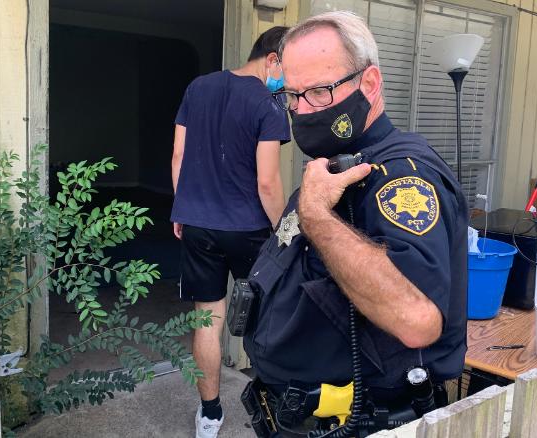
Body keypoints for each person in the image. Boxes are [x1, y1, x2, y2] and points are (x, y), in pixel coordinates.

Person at [240, 11, 468, 437]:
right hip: (292, 415)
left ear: (369, 84)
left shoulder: (400, 178)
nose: (302, 110)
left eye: (320, 92)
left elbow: (417, 319)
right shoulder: (334, 165)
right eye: (292, 95)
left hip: (358, 421)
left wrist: (316, 218)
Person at [171, 26, 291, 438]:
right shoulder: (269, 104)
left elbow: (178, 156)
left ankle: (208, 415)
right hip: (250, 230)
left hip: (199, 225)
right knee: (265, 316)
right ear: (273, 58)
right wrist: (283, 232)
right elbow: (268, 184)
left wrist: (181, 207)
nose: (289, 80)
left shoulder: (198, 87)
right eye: (288, 67)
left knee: (208, 319)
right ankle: (275, 403)